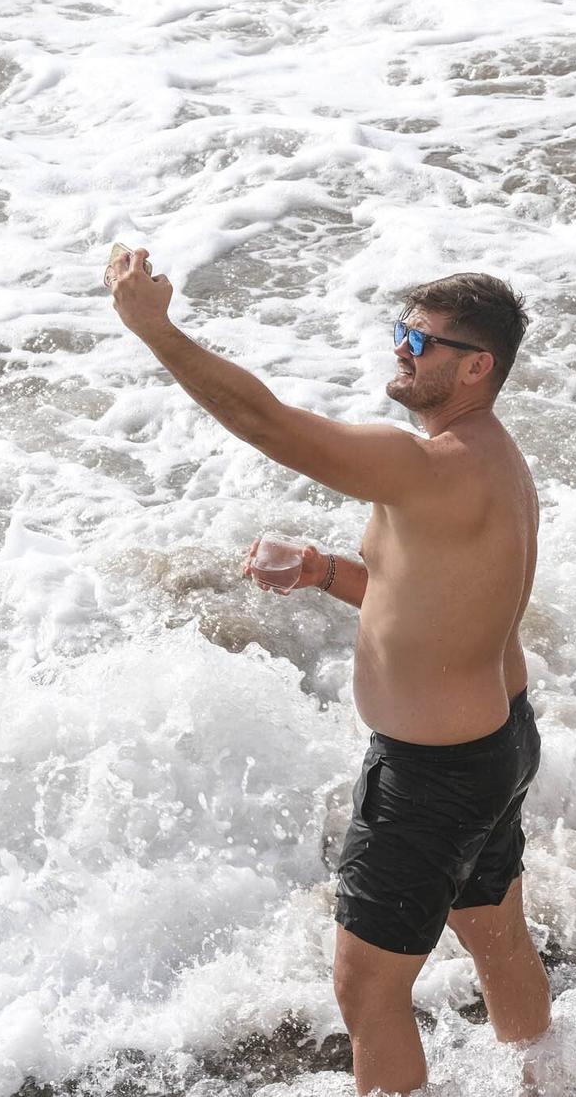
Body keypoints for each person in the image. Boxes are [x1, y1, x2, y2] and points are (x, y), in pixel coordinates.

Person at [103, 251, 548, 1096]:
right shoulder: (489, 460)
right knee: (494, 934)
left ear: (476, 365)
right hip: (497, 740)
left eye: (420, 339)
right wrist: (320, 570)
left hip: (432, 773)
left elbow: (264, 421)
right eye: (400, 332)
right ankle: (544, 1073)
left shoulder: (425, 465)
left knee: (367, 987)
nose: (402, 351)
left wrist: (157, 331)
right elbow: (434, 600)